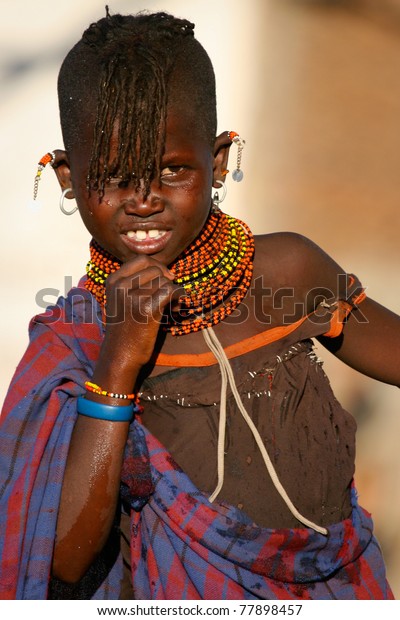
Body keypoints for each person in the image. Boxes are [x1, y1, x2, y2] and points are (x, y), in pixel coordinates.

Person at [0, 8, 399, 601]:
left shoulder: (287, 272)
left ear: (218, 160)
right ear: (65, 175)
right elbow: (61, 558)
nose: (143, 201)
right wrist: (118, 362)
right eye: (112, 176)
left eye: (172, 170)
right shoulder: (74, 342)